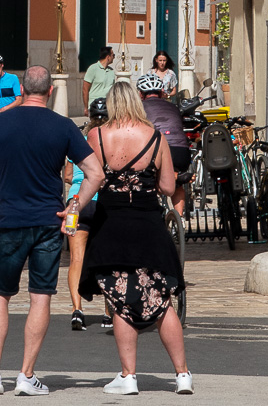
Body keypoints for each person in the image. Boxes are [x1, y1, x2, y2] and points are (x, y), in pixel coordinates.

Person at [0, 65, 104, 396]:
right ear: (51, 91)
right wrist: (75, 205)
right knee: (40, 296)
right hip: (47, 224)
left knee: (0, 294)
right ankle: (27, 376)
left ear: (21, 89)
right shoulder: (64, 127)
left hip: (9, 221)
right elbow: (95, 172)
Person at [79, 81, 192, 396]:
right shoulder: (155, 138)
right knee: (162, 302)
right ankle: (182, 375)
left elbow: (90, 178)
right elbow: (169, 188)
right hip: (148, 226)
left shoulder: (97, 136)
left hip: (111, 226)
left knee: (119, 299)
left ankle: (128, 376)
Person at [65, 98, 109, 331]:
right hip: (101, 203)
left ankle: (77, 310)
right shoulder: (109, 141)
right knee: (106, 258)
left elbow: (68, 176)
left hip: (76, 203)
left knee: (76, 259)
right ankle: (108, 313)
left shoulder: (80, 141)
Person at [135, 72, 189, 212]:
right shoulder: (174, 108)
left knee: (149, 180)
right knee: (177, 186)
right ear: (161, 92)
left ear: (141, 94)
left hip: (156, 152)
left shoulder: (139, 109)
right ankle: (180, 220)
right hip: (181, 152)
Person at [82, 45, 116, 111]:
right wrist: (86, 107)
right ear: (108, 57)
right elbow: (85, 89)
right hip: (94, 106)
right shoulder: (93, 69)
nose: (114, 57)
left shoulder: (111, 71)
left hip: (108, 106)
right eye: (113, 55)